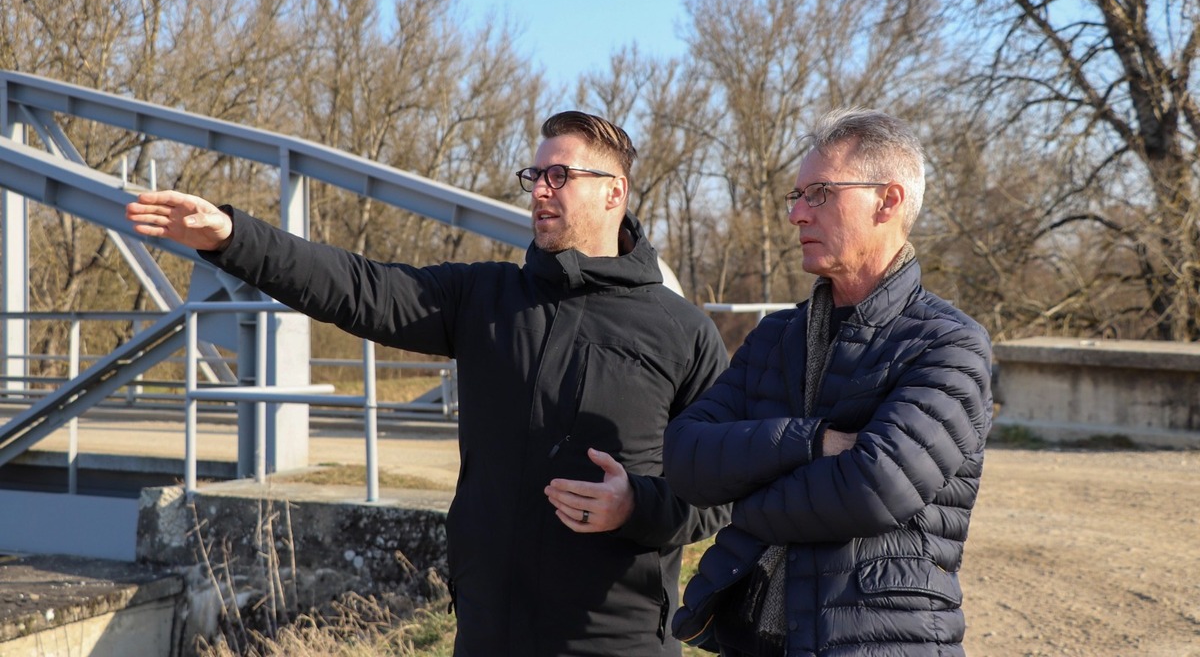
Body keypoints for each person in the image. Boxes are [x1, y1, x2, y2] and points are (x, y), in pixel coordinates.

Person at [127, 111, 730, 657]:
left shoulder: (681, 332)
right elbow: (358, 287)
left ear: (613, 192)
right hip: (487, 635)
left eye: (560, 175)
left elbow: (720, 493)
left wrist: (635, 507)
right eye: (535, 175)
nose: (540, 190)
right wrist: (232, 238)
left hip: (614, 640)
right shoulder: (485, 298)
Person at [662, 108, 993, 656]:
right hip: (755, 641)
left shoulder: (948, 343)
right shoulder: (775, 337)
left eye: (818, 193)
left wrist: (743, 498)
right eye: (795, 196)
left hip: (881, 643)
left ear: (888, 201)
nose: (796, 214)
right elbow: (684, 456)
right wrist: (812, 442)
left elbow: (872, 488)